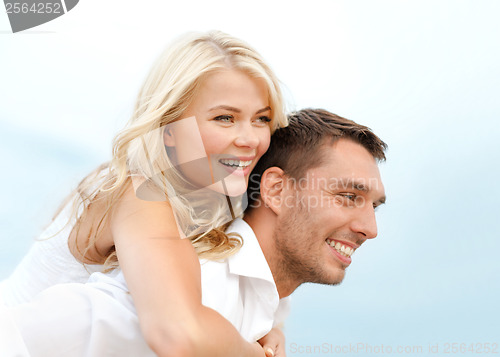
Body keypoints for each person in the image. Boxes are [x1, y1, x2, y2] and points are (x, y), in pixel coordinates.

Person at [0, 108, 387, 356]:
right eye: (348, 196)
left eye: (373, 205)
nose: (369, 228)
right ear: (275, 190)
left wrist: (273, 327)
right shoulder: (196, 287)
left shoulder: (260, 291)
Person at [0, 30, 288, 357]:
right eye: (225, 118)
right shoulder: (139, 190)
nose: (250, 138)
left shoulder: (209, 196)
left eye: (261, 119)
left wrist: (268, 326)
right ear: (169, 128)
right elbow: (176, 333)